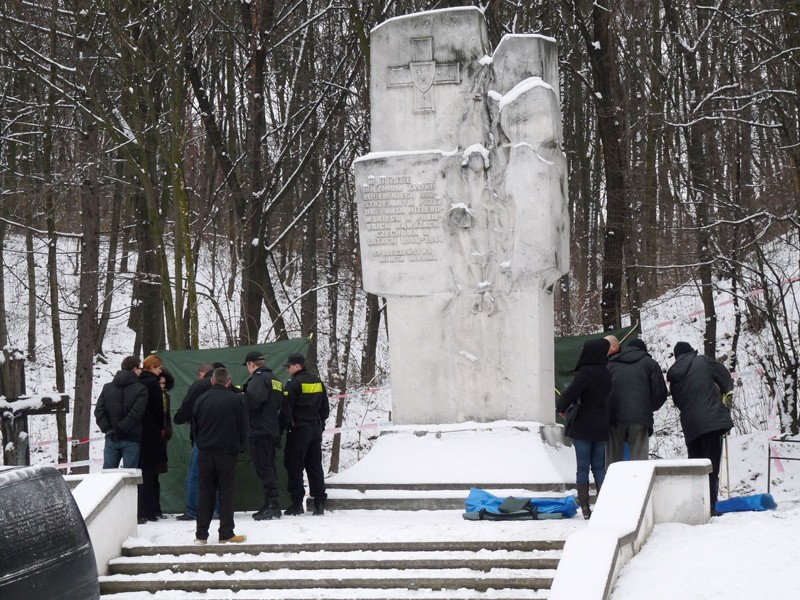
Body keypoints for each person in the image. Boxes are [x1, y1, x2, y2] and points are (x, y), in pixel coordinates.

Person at [667, 341, 734, 515]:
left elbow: (678, 402)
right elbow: (724, 375)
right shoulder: (703, 360)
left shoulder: (674, 374)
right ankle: (711, 505)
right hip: (711, 421)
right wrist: (727, 392)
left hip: (690, 425)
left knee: (696, 467)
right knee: (711, 465)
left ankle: (698, 505)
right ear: (691, 351)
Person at [556, 338, 611, 519]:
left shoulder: (585, 373)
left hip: (583, 424)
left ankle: (586, 507)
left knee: (582, 467)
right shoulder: (606, 372)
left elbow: (570, 393)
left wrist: (561, 408)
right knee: (599, 466)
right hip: (602, 423)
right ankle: (604, 504)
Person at [192, 367, 248, 544]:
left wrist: (201, 445)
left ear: (212, 380)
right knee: (226, 493)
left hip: (206, 452)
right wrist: (239, 448)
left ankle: (201, 535)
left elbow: (195, 428)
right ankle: (226, 533)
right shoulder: (237, 400)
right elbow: (244, 427)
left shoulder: (201, 400)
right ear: (228, 381)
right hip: (227, 453)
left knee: (205, 493)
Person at [281, 353, 330, 516]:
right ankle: (319, 503)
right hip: (315, 429)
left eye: (289, 366)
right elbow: (325, 409)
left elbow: (286, 410)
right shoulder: (318, 381)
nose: (288, 370)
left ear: (297, 366)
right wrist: (320, 424)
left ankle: (296, 504)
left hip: (299, 430)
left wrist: (282, 427)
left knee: (294, 466)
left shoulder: (293, 384)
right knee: (315, 466)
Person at [606, 338, 668, 464]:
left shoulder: (611, 364)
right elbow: (660, 393)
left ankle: (614, 483)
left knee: (613, 464)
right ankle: (638, 483)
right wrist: (648, 408)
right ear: (644, 350)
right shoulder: (650, 364)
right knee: (639, 464)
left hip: (614, 418)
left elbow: (603, 391)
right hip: (640, 419)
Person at [243, 350, 284, 521]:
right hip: (271, 429)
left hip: (259, 430)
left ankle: (273, 505)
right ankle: (269, 503)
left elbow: (252, 403)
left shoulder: (258, 379)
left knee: (264, 468)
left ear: (251, 364)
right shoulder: (275, 379)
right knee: (269, 467)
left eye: (247, 366)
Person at [173, 363, 215, 520]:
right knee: (217, 477)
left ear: (203, 373)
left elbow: (186, 408)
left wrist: (183, 418)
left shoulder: (199, 385)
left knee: (195, 475)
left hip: (202, 437)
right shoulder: (228, 386)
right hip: (223, 439)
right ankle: (216, 510)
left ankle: (192, 510)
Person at [95, 356, 148, 468]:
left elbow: (99, 411)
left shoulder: (107, 387)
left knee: (108, 478)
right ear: (134, 369)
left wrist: (108, 430)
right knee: (130, 479)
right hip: (131, 438)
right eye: (140, 368)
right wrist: (119, 430)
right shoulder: (141, 389)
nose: (141, 371)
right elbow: (136, 414)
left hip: (111, 438)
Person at [137, 354, 169, 524]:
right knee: (151, 474)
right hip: (152, 434)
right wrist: (161, 427)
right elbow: (158, 409)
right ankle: (151, 510)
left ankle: (143, 509)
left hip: (139, 434)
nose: (160, 370)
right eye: (158, 367)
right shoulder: (153, 384)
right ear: (151, 368)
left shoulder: (138, 382)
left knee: (143, 474)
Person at [154, 368, 175, 518]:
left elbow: (167, 417)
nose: (162, 386)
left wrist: (167, 431)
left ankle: (157, 508)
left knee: (157, 474)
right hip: (152, 438)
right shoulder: (151, 395)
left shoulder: (166, 397)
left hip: (162, 438)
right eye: (160, 383)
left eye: (164, 383)